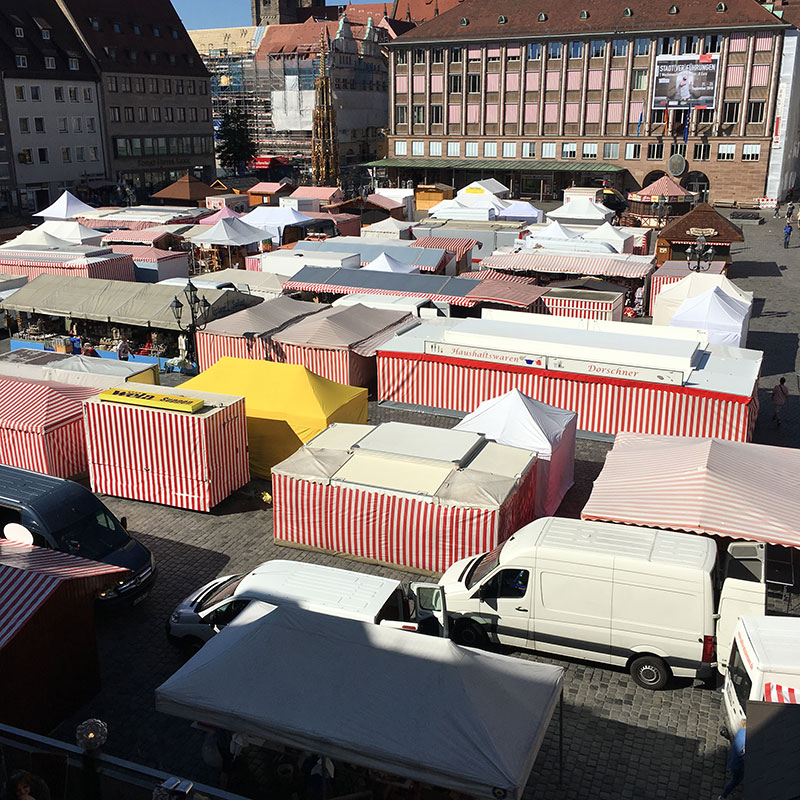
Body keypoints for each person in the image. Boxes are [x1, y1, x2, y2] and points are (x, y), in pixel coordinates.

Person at [718, 721, 746, 799]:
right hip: (738, 765)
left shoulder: (741, 731)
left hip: (733, 759)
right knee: (735, 781)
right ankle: (723, 796)